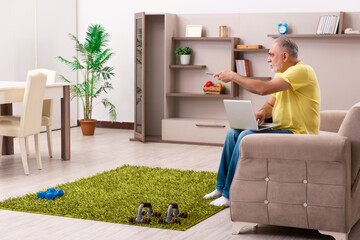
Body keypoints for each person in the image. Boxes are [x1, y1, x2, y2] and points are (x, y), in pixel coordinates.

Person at [204, 36, 321, 207]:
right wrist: (261, 113)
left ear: (285, 56)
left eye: (271, 55)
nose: (268, 59)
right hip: (282, 129)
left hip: (298, 134)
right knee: (233, 132)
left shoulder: (302, 71)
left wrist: (234, 76)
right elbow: (270, 104)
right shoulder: (283, 75)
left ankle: (230, 194)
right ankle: (220, 187)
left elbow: (262, 89)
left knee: (246, 135)